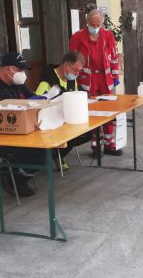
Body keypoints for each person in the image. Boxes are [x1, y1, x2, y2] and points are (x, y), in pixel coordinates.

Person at [0, 52, 39, 197]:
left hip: (19, 131)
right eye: (20, 70)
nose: (23, 74)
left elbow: (31, 97)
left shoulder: (17, 84)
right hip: (0, 136)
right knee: (36, 152)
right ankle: (10, 178)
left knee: (43, 148)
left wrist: (42, 99)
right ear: (9, 70)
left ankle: (17, 177)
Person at [68, 9, 122, 156]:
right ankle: (96, 145)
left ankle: (110, 144)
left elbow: (114, 57)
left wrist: (115, 75)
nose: (95, 26)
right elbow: (72, 60)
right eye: (93, 24)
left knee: (109, 112)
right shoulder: (77, 37)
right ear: (87, 22)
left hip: (105, 79)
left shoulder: (109, 35)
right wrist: (75, 77)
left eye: (98, 24)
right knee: (92, 113)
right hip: (88, 80)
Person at [35, 51, 93, 169]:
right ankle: (54, 154)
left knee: (87, 132)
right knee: (70, 134)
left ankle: (59, 154)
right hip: (50, 121)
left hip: (67, 118)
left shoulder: (72, 79)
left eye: (79, 71)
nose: (77, 74)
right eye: (75, 70)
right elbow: (37, 103)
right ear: (66, 65)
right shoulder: (47, 80)